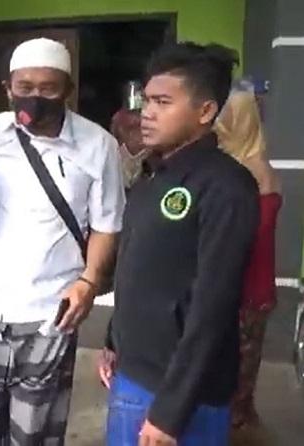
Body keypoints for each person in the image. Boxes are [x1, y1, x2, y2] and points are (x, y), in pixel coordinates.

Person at [0, 37, 125, 445]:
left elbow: (107, 224)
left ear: (68, 89)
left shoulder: (98, 145)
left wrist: (89, 282)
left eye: (48, 89)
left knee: (33, 431)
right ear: (8, 89)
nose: (35, 98)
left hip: (51, 311)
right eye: (25, 87)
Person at [102, 43, 259, 446]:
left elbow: (212, 308)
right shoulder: (153, 175)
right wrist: (113, 339)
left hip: (180, 395)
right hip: (133, 375)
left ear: (205, 111)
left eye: (162, 102)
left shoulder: (226, 186)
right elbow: (137, 267)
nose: (147, 113)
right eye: (146, 100)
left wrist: (170, 414)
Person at [215, 91, 283, 438]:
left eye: (225, 116)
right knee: (244, 371)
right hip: (258, 289)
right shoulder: (261, 167)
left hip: (241, 290)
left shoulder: (242, 172)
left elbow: (241, 238)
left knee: (232, 376)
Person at [110, 81, 148, 190]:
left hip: (145, 157)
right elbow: (113, 137)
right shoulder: (118, 117)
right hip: (123, 159)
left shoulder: (149, 115)